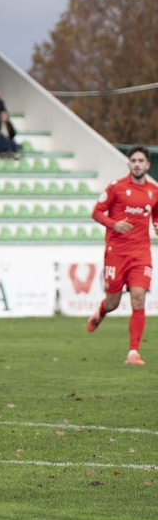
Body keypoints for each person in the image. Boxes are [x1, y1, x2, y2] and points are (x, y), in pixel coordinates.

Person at [87, 146, 157, 365]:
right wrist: (114, 224)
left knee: (139, 297)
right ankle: (101, 310)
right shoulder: (116, 188)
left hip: (141, 254)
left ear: (147, 165)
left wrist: (156, 223)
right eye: (133, 160)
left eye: (141, 160)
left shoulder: (154, 191)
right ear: (129, 164)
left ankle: (133, 352)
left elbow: (155, 211)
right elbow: (96, 212)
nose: (137, 164)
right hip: (116, 253)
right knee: (113, 302)